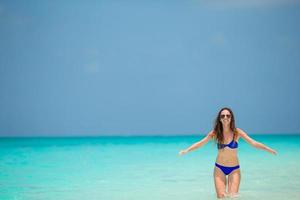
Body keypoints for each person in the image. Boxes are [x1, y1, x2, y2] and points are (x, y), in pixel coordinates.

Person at [178, 107, 277, 199]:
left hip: (234, 169)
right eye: (223, 116)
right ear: (220, 119)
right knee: (221, 197)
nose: (225, 117)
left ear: (231, 118)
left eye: (228, 115)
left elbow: (253, 143)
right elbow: (201, 143)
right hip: (219, 168)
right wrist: (186, 150)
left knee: (232, 197)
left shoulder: (237, 132)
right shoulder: (215, 133)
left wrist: (268, 149)